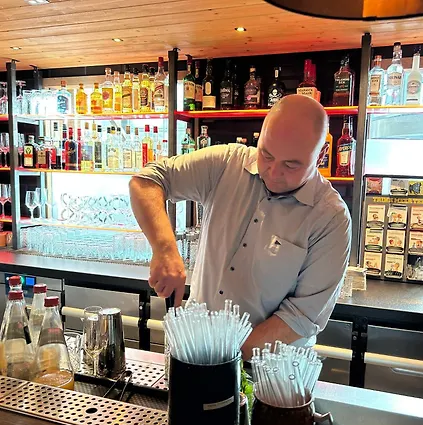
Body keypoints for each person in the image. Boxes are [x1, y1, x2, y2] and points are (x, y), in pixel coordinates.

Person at [129, 94, 351, 360]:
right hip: (196, 353)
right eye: (266, 154)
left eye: (291, 165)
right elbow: (146, 182)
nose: (273, 172)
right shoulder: (227, 163)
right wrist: (165, 250)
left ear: (321, 155)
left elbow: (301, 316)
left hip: (270, 370)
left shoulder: (330, 217)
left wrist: (223, 359)